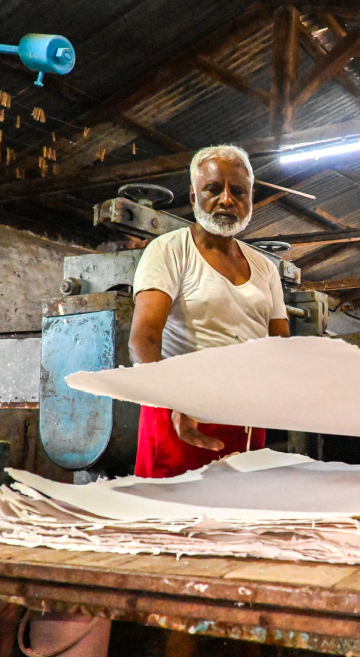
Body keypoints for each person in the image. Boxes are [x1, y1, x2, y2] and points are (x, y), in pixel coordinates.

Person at [128, 144, 290, 478]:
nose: (227, 200)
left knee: (237, 517)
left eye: (238, 191)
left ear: (250, 198)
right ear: (193, 195)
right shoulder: (170, 251)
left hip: (245, 414)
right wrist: (172, 401)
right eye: (213, 190)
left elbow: (280, 345)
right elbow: (144, 337)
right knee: (169, 520)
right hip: (182, 413)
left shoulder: (265, 268)